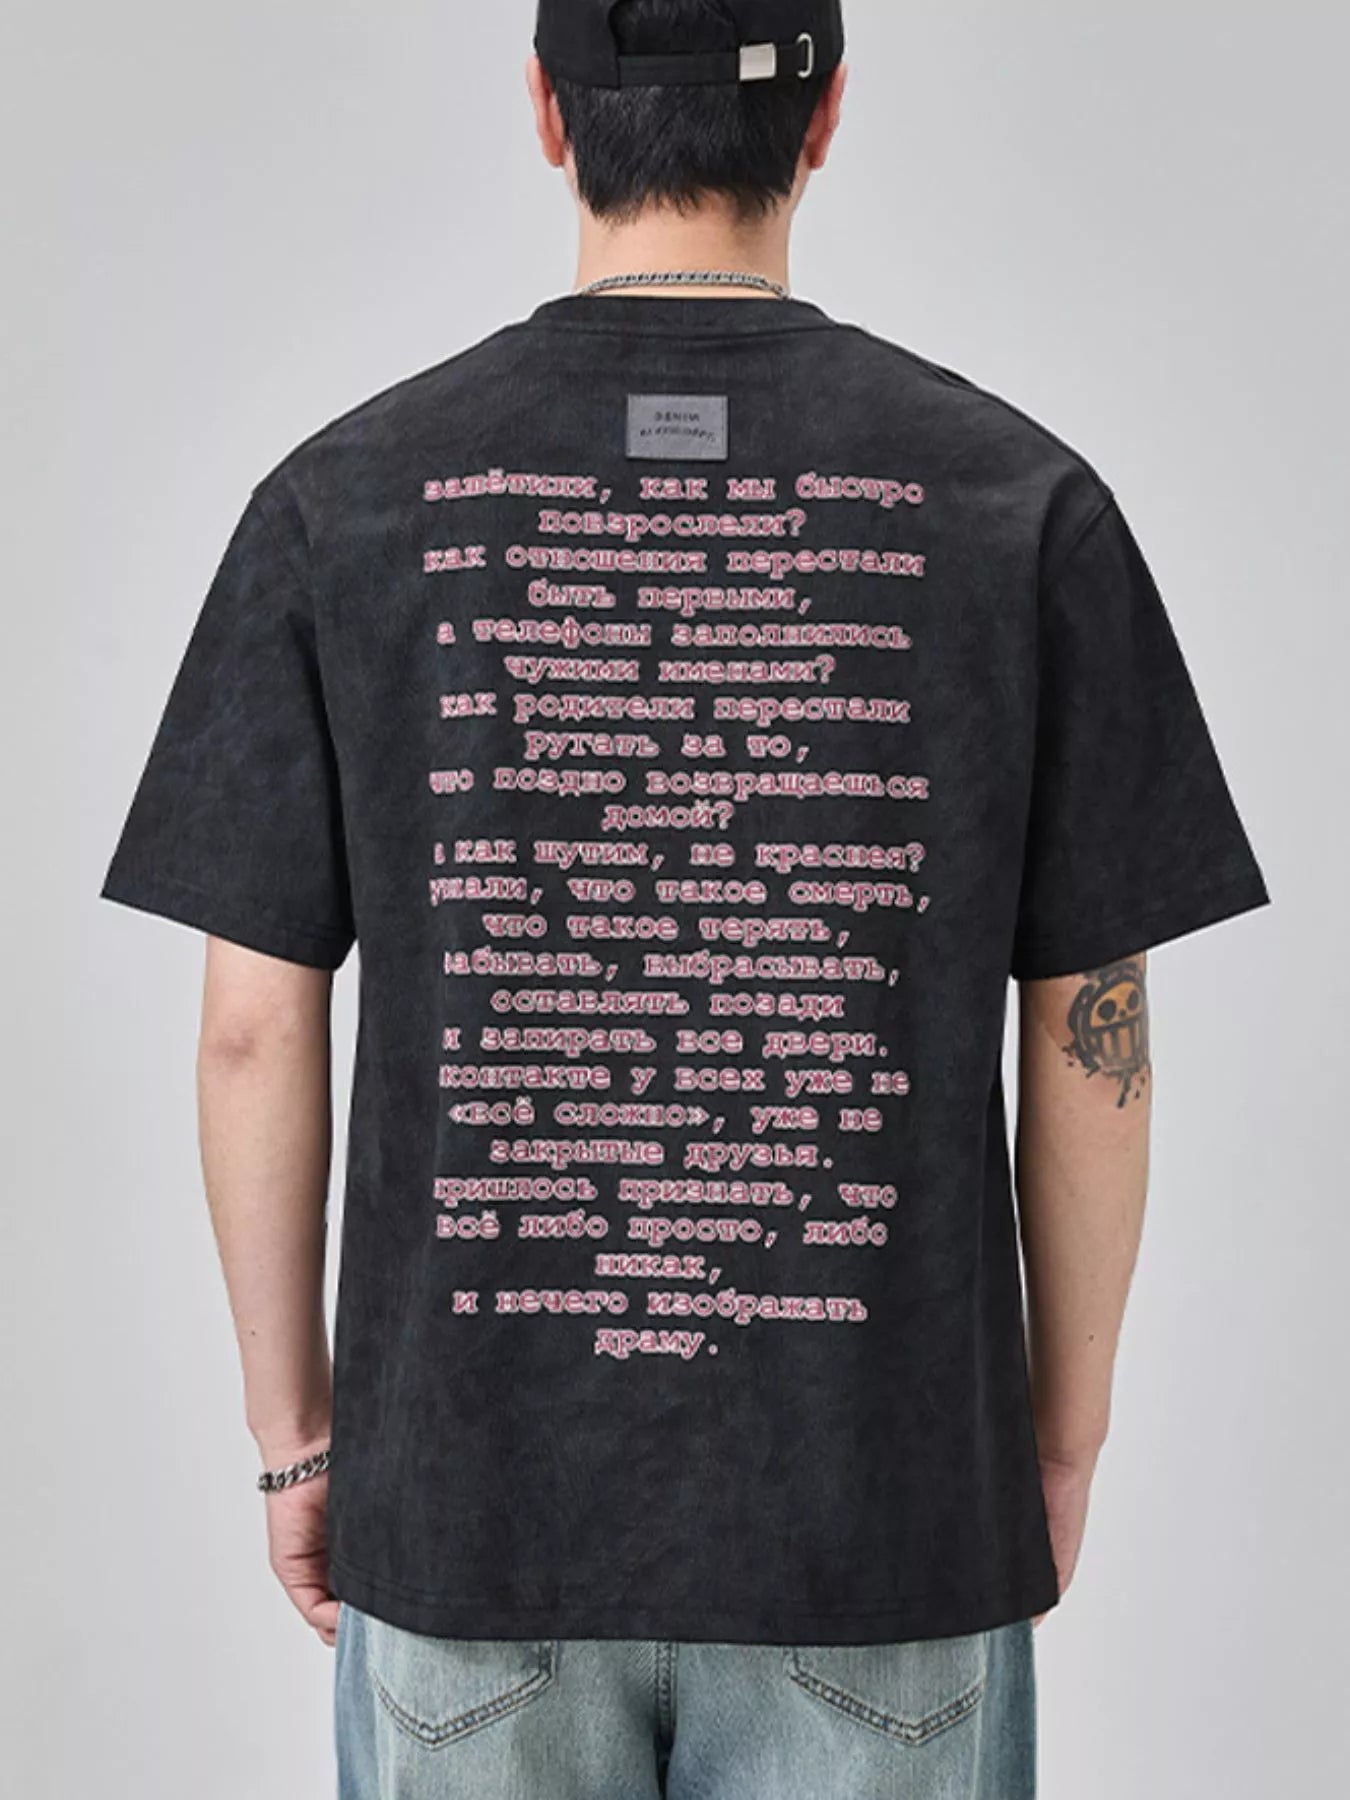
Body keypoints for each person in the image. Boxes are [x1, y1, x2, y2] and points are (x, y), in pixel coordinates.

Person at [99, 2, 1271, 1795]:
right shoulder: (1017, 506)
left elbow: (252, 1025)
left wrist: (297, 1442)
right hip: (878, 1519)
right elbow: (1087, 1032)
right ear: (826, 118)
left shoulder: (342, 505)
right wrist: (1056, 1440)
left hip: (469, 1518)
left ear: (545, 113)